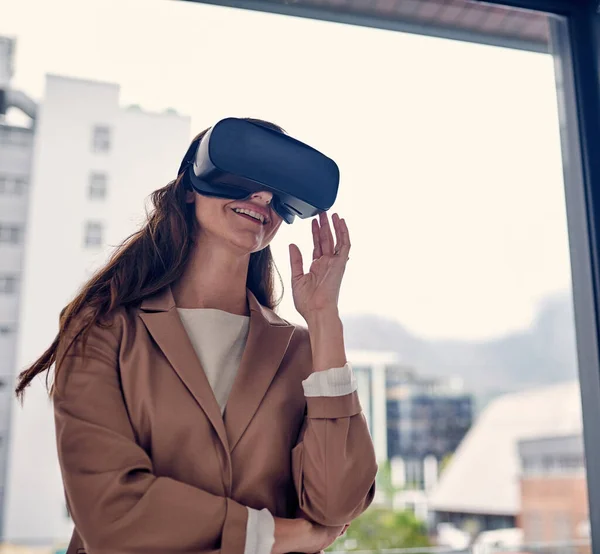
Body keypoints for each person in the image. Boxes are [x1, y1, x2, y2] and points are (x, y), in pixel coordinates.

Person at [15, 118, 377, 554]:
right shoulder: (105, 330)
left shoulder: (301, 351)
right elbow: (111, 514)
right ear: (190, 187)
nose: (262, 196)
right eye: (244, 177)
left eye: (276, 191)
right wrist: (283, 536)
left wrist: (323, 319)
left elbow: (337, 505)